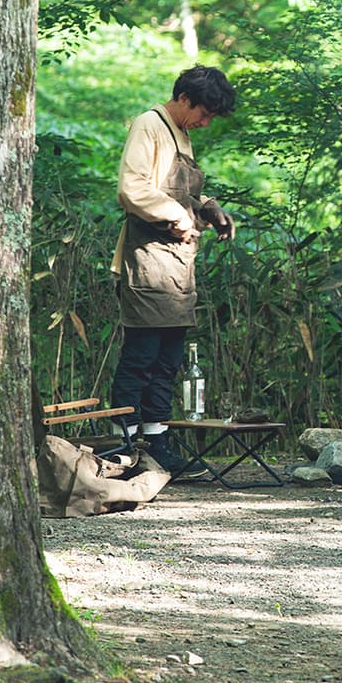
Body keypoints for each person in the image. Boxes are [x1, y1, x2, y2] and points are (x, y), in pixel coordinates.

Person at [109, 64, 236, 475]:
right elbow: (133, 188)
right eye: (203, 112)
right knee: (141, 355)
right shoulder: (150, 125)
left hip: (178, 266)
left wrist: (209, 210)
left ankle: (157, 439)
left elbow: (185, 194)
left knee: (169, 357)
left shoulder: (182, 134)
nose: (205, 121)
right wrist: (174, 215)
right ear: (184, 99)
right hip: (147, 260)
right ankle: (124, 445)